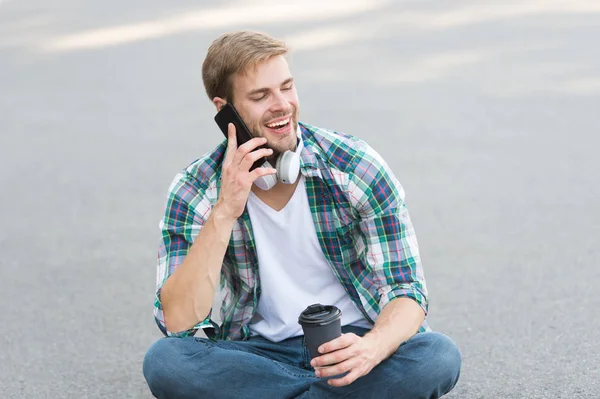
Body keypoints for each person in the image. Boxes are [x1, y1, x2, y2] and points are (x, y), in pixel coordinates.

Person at [142, 31, 461, 399]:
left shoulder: (355, 166)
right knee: (165, 362)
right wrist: (225, 212)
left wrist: (371, 349)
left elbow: (407, 292)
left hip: (353, 343)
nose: (282, 105)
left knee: (437, 355)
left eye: (287, 87)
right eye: (261, 96)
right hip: (260, 355)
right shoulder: (194, 189)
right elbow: (178, 322)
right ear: (224, 110)